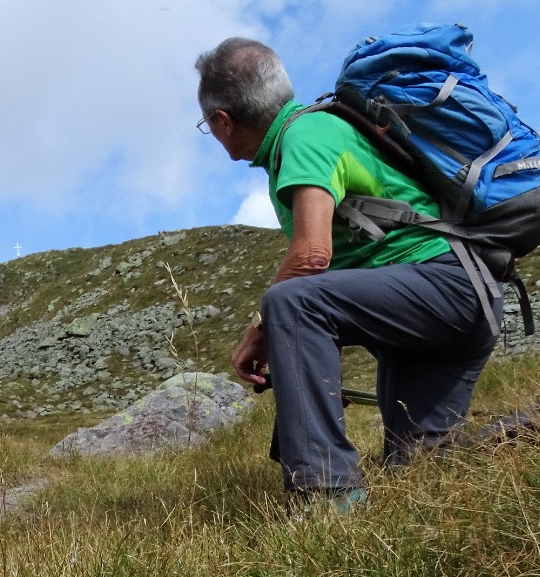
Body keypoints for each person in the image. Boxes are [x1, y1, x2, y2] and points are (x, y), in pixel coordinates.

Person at [193, 37, 503, 510]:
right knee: (423, 465)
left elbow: (312, 256)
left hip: (445, 286)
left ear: (222, 120)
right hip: (457, 300)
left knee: (289, 302)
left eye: (207, 125)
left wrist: (260, 331)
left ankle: (327, 496)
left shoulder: (304, 137)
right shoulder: (319, 131)